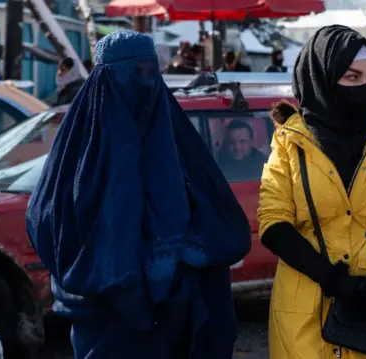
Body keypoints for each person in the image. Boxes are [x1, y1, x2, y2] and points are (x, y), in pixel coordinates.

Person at [26, 30, 251, 358]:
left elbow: (220, 220)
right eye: (133, 73)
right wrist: (116, 275)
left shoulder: (175, 140)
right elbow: (48, 224)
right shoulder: (78, 151)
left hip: (175, 320)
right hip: (104, 325)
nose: (143, 83)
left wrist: (176, 270)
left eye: (151, 72)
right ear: (106, 78)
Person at [257, 25, 366, 359]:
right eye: (351, 77)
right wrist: (334, 281)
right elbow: (273, 222)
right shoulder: (290, 140)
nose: (364, 87)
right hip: (305, 312)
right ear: (323, 76)